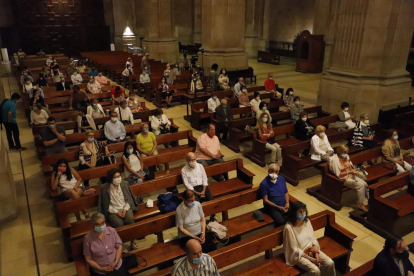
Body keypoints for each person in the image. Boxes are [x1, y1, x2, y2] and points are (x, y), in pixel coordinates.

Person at [284, 201, 336, 276]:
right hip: (299, 255)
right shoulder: (289, 228)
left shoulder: (307, 222)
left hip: (311, 250)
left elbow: (313, 239)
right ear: (294, 213)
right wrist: (312, 260)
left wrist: (317, 257)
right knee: (315, 271)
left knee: (329, 262)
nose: (302, 213)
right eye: (300, 211)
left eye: (304, 211)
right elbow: (294, 249)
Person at [98, 168, 139, 250]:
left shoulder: (124, 184)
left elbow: (129, 199)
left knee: (130, 220)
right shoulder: (105, 188)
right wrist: (116, 212)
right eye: (115, 177)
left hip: (125, 207)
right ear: (111, 179)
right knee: (118, 224)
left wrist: (125, 209)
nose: (118, 178)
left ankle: (132, 241)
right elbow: (106, 204)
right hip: (113, 210)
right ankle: (119, 244)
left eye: (119, 176)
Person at [329, 145, 368, 211]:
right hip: (343, 178)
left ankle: (368, 199)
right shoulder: (334, 160)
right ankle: (360, 204)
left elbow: (350, 166)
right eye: (345, 152)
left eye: (347, 152)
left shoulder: (346, 156)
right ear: (340, 152)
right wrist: (349, 172)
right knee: (361, 185)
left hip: (351, 175)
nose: (346, 154)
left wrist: (354, 171)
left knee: (364, 183)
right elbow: (338, 175)